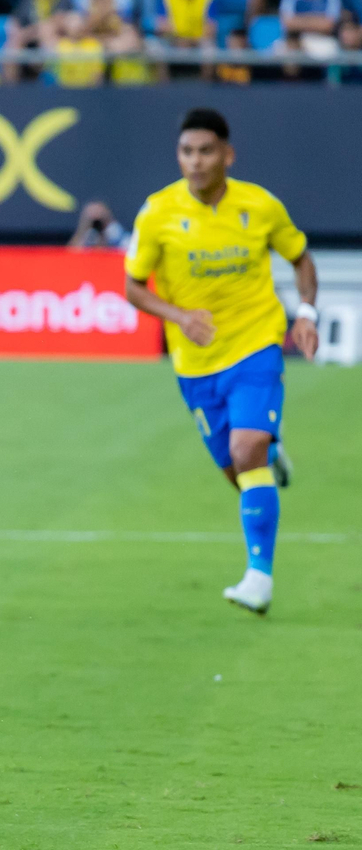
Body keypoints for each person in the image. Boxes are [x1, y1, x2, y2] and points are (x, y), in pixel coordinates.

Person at [123, 108, 320, 616]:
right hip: (195, 362)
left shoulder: (260, 205)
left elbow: (300, 258)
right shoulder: (157, 212)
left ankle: (259, 576)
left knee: (246, 446)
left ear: (227, 155)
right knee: (239, 469)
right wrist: (178, 316)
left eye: (206, 151)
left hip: (255, 342)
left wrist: (308, 312)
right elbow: (133, 287)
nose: (195, 162)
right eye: (187, 152)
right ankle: (269, 456)